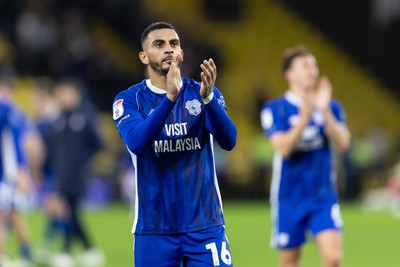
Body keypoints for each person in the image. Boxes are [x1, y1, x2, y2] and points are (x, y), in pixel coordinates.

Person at [112, 22, 237, 267]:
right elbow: (137, 142)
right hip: (155, 230)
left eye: (174, 44)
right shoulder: (128, 100)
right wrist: (170, 98)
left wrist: (209, 99)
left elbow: (229, 140)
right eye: (159, 44)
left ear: (181, 53)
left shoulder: (201, 92)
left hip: (205, 227)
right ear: (144, 56)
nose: (168, 49)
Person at [260, 45, 351, 267]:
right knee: (290, 262)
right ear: (289, 74)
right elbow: (284, 148)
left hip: (323, 196)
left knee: (333, 259)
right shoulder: (275, 109)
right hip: (289, 197)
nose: (312, 69)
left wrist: (325, 111)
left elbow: (344, 142)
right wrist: (304, 119)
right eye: (305, 65)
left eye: (314, 64)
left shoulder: (331, 107)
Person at [46, 78, 104, 267]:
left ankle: (67, 251)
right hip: (62, 173)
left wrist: (83, 160)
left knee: (68, 211)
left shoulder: (85, 115)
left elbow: (97, 143)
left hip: (78, 174)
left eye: (66, 92)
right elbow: (52, 147)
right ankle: (89, 249)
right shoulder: (58, 119)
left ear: (75, 94)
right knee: (71, 212)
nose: (63, 97)